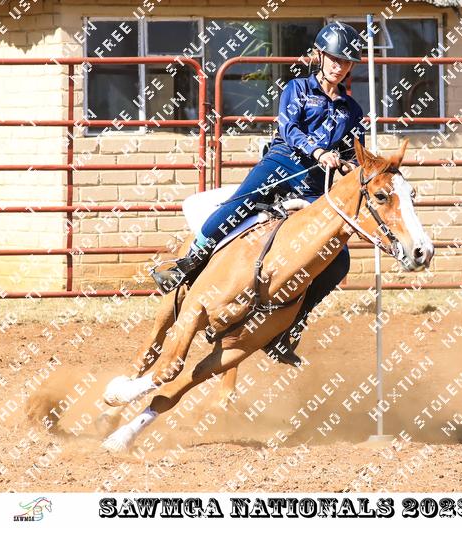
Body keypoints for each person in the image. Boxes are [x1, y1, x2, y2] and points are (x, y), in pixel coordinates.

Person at [152, 22, 367, 366]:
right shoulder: (297, 88)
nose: (339, 66)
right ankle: (189, 263)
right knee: (238, 205)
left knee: (338, 258)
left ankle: (290, 325)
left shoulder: (352, 110)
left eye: (345, 61)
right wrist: (316, 151)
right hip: (282, 164)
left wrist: (348, 165)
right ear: (319, 56)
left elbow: (356, 155)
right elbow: (289, 128)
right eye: (334, 58)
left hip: (316, 184)